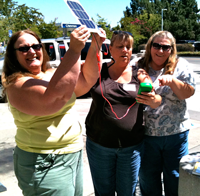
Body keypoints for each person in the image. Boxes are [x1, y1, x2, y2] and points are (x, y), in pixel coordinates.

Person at [1, 26, 105, 196]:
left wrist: (94, 46)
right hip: (44, 161)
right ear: (14, 55)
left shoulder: (50, 74)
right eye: (24, 48)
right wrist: (74, 50)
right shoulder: (16, 84)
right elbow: (56, 98)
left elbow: (86, 80)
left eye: (36, 46)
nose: (32, 51)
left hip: (72, 154)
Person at [85, 30, 162, 196]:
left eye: (128, 47)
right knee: (103, 192)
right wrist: (94, 43)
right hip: (100, 145)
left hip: (131, 147)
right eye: (120, 46)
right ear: (110, 49)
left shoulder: (139, 73)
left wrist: (152, 97)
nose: (125, 50)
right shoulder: (99, 71)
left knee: (127, 192)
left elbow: (154, 97)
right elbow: (84, 74)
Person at [137, 31, 196, 196]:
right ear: (150, 46)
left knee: (175, 178)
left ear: (171, 49)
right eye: (156, 45)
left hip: (175, 135)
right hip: (146, 135)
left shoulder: (181, 64)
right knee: (148, 179)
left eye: (165, 47)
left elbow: (187, 93)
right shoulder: (138, 64)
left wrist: (172, 80)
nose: (160, 50)